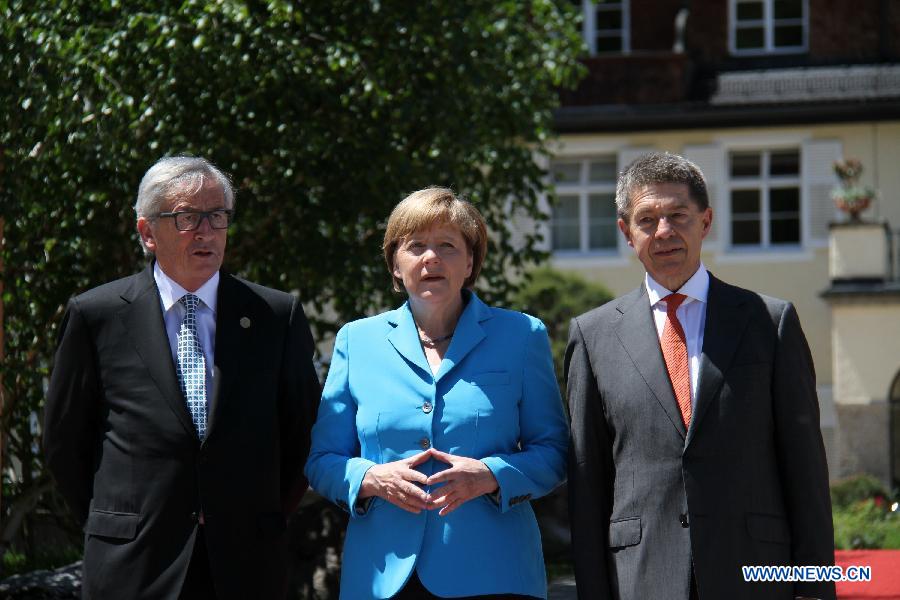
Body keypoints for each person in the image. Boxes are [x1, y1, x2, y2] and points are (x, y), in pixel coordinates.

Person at [43, 156, 320, 599]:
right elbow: (64, 442)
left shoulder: (273, 316)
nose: (206, 232)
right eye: (187, 217)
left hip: (245, 564)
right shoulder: (97, 315)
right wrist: (118, 520)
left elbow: (301, 435)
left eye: (217, 217)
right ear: (147, 232)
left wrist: (256, 514)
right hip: (134, 565)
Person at [565, 152, 835, 600]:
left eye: (678, 215)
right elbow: (587, 480)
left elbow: (805, 469)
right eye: (647, 219)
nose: (664, 231)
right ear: (626, 233)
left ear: (705, 222)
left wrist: (815, 588)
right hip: (642, 575)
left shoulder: (769, 322)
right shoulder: (592, 337)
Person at [305, 187, 568, 599]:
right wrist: (371, 477)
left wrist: (491, 475)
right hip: (382, 578)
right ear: (395, 264)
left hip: (494, 574)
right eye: (416, 246)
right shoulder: (357, 341)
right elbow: (323, 461)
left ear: (470, 262)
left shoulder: (521, 335)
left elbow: (554, 452)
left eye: (447, 245)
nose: (431, 258)